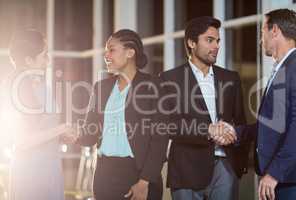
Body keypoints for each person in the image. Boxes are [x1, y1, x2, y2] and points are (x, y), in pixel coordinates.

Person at [160, 16, 250, 200]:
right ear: (192, 43)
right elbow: (168, 125)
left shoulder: (230, 78)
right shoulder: (169, 79)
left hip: (226, 168)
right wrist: (207, 130)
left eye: (217, 41)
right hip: (187, 170)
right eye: (209, 40)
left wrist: (234, 141)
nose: (216, 46)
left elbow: (240, 121)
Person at [212, 8, 296, 200]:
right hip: (282, 180)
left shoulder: (293, 67)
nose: (260, 40)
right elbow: (273, 124)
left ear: (274, 30)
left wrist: (275, 173)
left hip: (287, 181)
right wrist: (236, 132)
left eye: (262, 32)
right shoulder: (283, 68)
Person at [76, 29, 168, 200]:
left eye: (112, 49)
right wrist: (70, 134)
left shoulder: (154, 85)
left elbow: (160, 140)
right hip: (104, 174)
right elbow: (89, 134)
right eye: (106, 51)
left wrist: (143, 183)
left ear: (130, 53)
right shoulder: (100, 88)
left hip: (138, 175)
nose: (106, 55)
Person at [1, 29, 76, 200]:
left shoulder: (42, 85)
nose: (48, 61)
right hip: (30, 174)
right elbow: (22, 141)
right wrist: (61, 129)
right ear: (28, 60)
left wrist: (61, 135)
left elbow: (45, 129)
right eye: (44, 55)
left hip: (50, 169)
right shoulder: (15, 90)